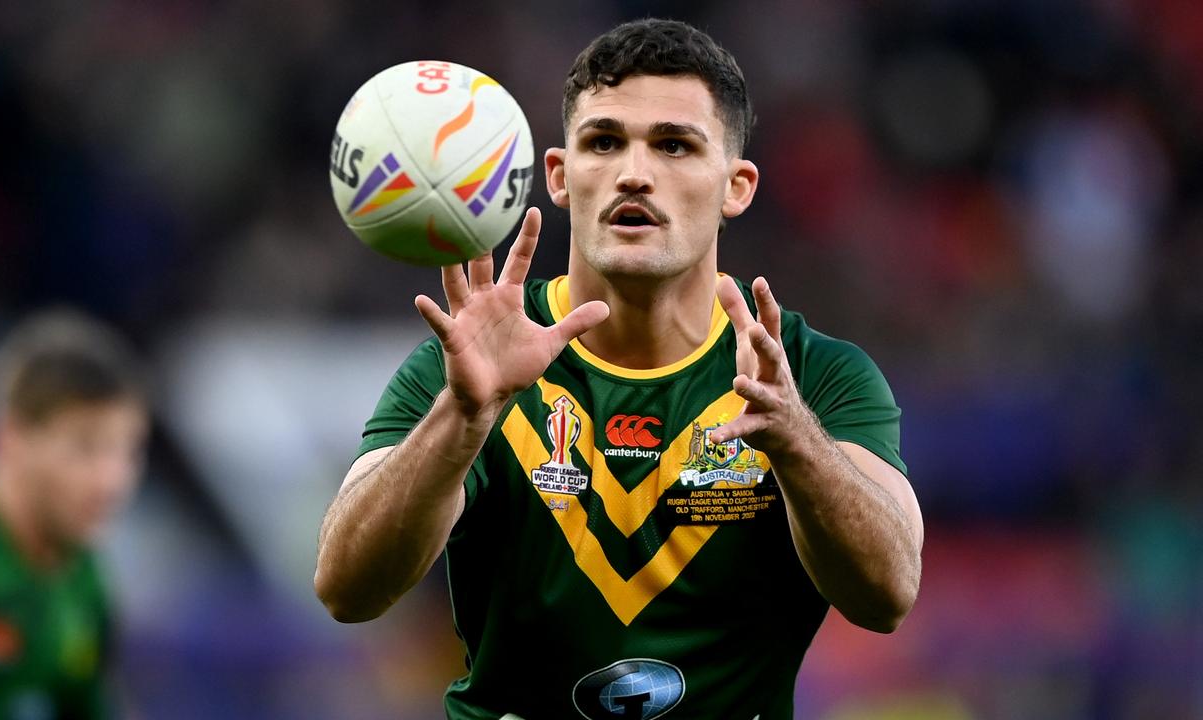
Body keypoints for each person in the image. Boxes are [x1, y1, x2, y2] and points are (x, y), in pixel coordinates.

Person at [315, 18, 923, 720]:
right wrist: (463, 418)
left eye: (674, 145)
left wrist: (793, 440)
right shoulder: (468, 368)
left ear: (738, 186)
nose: (635, 171)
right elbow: (345, 589)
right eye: (604, 142)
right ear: (559, 176)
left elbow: (889, 595)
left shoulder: (812, 377)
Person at [0, 310, 148, 719]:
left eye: (128, 451)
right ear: (8, 440)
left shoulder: (84, 581)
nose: (113, 480)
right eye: (86, 447)